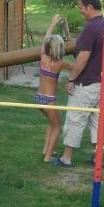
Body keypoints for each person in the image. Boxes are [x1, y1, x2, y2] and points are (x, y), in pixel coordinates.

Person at [51, 0, 104, 168]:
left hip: (86, 84)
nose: (81, 11)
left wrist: (71, 79)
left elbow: (83, 57)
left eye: (81, 8)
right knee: (99, 121)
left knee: (75, 119)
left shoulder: (91, 28)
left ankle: (66, 158)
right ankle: (97, 158)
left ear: (89, 7)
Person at [38, 15, 72, 162]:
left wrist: (52, 23)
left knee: (51, 123)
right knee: (58, 126)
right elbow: (76, 67)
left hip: (38, 98)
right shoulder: (60, 64)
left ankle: (46, 149)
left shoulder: (43, 57)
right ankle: (48, 157)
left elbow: (46, 39)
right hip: (49, 100)